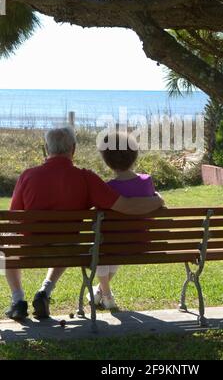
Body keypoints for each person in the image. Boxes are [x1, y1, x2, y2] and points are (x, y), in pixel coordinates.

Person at [6, 127, 163, 321]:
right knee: (63, 241)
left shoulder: (27, 176)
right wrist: (157, 200)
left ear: (47, 149)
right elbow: (126, 205)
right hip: (69, 248)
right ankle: (45, 291)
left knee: (5, 245)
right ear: (73, 149)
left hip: (31, 248)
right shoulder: (86, 178)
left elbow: (14, 219)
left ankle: (18, 300)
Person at [88, 132, 157, 309]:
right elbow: (154, 199)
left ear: (107, 160)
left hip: (111, 245)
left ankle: (106, 294)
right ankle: (102, 292)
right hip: (139, 243)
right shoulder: (147, 182)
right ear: (134, 156)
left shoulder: (108, 188)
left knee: (104, 245)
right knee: (115, 242)